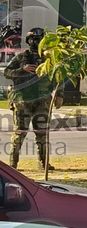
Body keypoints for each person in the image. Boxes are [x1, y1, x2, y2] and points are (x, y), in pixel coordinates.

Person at [3, 28, 62, 170]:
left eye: (39, 39)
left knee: (42, 133)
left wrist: (59, 94)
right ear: (28, 41)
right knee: (20, 133)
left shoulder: (50, 59)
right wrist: (22, 70)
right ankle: (13, 165)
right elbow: (7, 72)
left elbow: (58, 77)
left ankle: (43, 163)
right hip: (23, 100)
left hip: (43, 100)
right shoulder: (20, 57)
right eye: (33, 39)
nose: (36, 42)